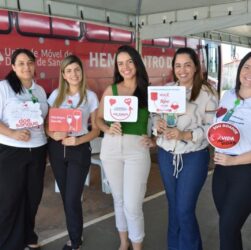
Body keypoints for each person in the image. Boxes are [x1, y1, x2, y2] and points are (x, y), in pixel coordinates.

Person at [154, 47, 218, 250]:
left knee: (184, 210)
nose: (182, 70)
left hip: (193, 157)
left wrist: (185, 135)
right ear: (173, 68)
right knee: (174, 209)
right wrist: (158, 125)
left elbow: (212, 128)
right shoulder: (167, 90)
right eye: (178, 65)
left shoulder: (207, 93)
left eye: (187, 65)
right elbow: (154, 116)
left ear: (196, 67)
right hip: (166, 156)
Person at [96, 45, 154, 250]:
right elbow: (98, 120)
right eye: (120, 63)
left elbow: (164, 120)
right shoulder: (111, 90)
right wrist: (108, 128)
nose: (125, 67)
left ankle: (137, 246)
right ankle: (123, 242)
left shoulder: (148, 91)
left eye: (129, 61)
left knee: (132, 204)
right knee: (119, 199)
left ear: (137, 62)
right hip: (111, 149)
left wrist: (154, 140)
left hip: (136, 150)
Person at [46, 55, 99, 250]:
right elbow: (46, 125)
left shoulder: (90, 96)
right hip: (57, 150)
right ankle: (75, 234)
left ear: (82, 72)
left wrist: (78, 140)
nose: (73, 74)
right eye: (69, 70)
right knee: (65, 196)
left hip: (79, 150)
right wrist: (53, 135)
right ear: (63, 74)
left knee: (72, 197)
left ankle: (75, 240)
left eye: (77, 69)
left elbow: (95, 130)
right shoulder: (55, 95)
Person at [0, 48, 48, 250]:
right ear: (12, 66)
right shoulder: (4, 88)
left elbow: (45, 120)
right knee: (10, 199)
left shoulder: (40, 90)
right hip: (11, 150)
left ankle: (28, 236)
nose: (26, 67)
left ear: (35, 64)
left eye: (29, 62)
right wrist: (12, 134)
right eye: (21, 63)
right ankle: (7, 243)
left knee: (33, 196)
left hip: (38, 149)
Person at [212, 52, 251, 250]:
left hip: (245, 171)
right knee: (229, 226)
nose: (249, 72)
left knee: (227, 227)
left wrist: (233, 161)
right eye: (246, 66)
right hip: (221, 168)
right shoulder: (228, 95)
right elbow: (218, 124)